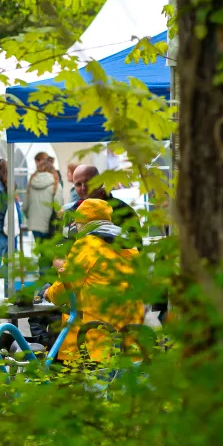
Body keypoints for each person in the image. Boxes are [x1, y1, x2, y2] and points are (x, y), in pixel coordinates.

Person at [44, 198, 143, 364]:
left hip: (97, 339)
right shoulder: (129, 245)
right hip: (130, 339)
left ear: (82, 223)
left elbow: (65, 288)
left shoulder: (87, 245)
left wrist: (48, 294)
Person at [24, 151, 61, 247]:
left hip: (34, 225)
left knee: (41, 253)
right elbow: (58, 207)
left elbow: (24, 207)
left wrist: (31, 218)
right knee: (50, 256)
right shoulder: (56, 184)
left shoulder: (31, 182)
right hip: (50, 225)